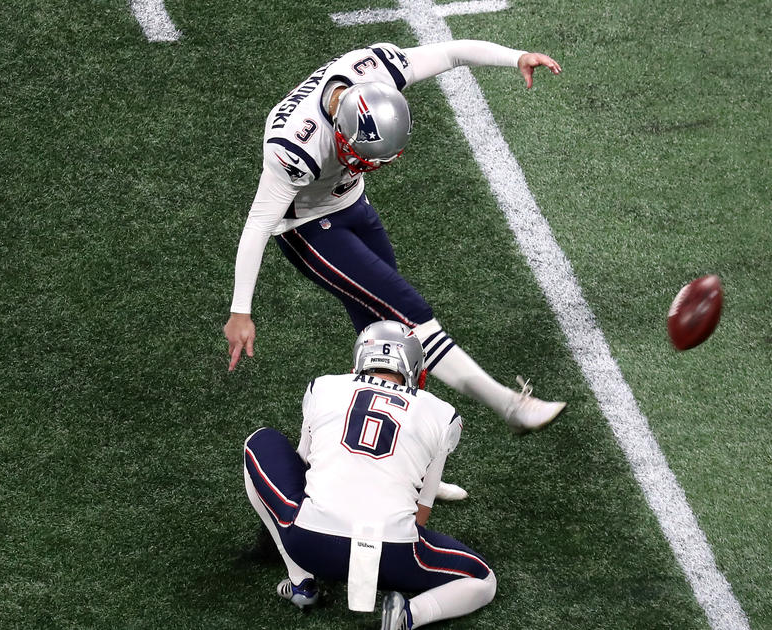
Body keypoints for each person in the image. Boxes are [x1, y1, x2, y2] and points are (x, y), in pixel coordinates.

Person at [224, 39, 566, 435]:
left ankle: (401, 460)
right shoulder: (295, 147)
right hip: (308, 229)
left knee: (386, 343)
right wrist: (240, 311)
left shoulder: (374, 72)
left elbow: (451, 53)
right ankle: (510, 406)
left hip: (352, 206)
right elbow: (257, 226)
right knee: (409, 316)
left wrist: (516, 58)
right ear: (339, 132)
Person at [242, 321, 495, 629]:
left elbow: (302, 470)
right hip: (392, 554)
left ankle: (300, 582)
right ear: (417, 372)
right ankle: (409, 614)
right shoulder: (442, 414)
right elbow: (422, 513)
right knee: (482, 579)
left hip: (310, 542)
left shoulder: (324, 386)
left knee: (259, 442)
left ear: (359, 364)